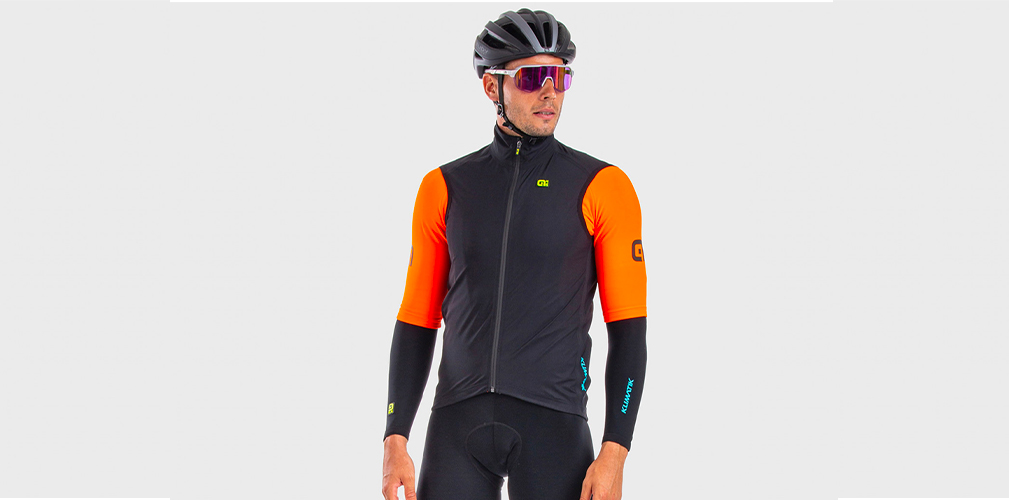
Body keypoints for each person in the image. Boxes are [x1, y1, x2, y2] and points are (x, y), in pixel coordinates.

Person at [382, 8, 647, 500]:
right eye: (532, 77)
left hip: (554, 423)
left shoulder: (604, 187)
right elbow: (416, 320)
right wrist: (395, 437)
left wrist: (616, 449)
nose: (550, 91)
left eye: (560, 76)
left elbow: (629, 329)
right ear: (492, 87)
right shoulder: (443, 187)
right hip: (457, 422)